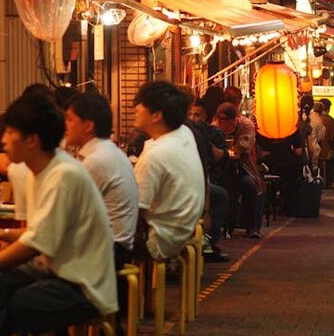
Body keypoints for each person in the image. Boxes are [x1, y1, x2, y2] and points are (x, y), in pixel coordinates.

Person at [0, 92, 118, 336]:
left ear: (32, 140)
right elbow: (41, 234)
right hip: (52, 270)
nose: (3, 140)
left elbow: (36, 244)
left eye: (10, 133)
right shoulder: (38, 170)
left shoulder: (63, 175)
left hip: (81, 284)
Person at [132, 81, 205, 261]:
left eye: (141, 105)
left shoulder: (156, 155)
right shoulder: (184, 134)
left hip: (159, 241)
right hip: (182, 230)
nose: (135, 109)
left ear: (156, 115)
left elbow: (133, 210)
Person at [64, 93, 138, 268]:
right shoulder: (107, 152)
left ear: (88, 125)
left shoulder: (96, 160)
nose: (64, 125)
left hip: (109, 250)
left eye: (69, 119)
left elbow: (71, 214)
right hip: (115, 245)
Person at [186, 101, 230, 263]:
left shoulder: (210, 133)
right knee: (218, 196)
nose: (193, 118)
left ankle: (208, 242)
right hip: (192, 182)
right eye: (190, 114)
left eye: (197, 115)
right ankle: (207, 243)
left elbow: (220, 156)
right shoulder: (189, 132)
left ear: (206, 117)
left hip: (204, 177)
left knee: (219, 194)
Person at [214, 102, 265, 238]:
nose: (222, 125)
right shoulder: (214, 127)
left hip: (245, 167)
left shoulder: (246, 125)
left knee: (250, 185)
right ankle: (220, 225)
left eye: (226, 122)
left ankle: (253, 226)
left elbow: (245, 147)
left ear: (234, 120)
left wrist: (225, 149)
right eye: (220, 121)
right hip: (220, 168)